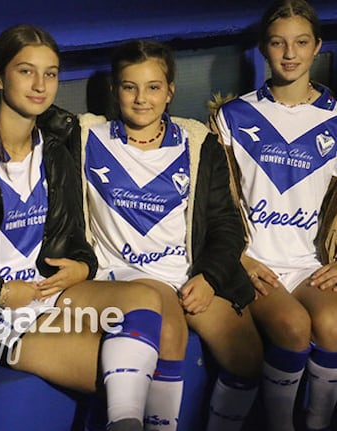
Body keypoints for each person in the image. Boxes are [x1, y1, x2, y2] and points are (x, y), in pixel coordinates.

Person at [0, 25, 168, 431]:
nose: (40, 85)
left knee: (144, 299)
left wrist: (84, 266)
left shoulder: (57, 144)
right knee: (119, 373)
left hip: (44, 293)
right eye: (26, 72)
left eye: (51, 73)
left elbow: (74, 235)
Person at [79, 40, 264, 431]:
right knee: (168, 331)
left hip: (187, 274)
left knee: (248, 357)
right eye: (130, 86)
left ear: (170, 91)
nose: (141, 98)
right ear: (115, 90)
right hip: (124, 277)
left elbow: (226, 224)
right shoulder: (84, 137)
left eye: (153, 87)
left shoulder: (197, 143)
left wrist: (210, 276)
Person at [213, 1, 337, 430]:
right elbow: (215, 204)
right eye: (278, 42)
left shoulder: (336, 118)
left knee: (334, 324)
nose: (290, 53)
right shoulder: (233, 115)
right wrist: (238, 259)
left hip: (311, 265)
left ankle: (319, 422)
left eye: (301, 42)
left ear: (317, 47)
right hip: (256, 263)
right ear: (264, 48)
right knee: (292, 325)